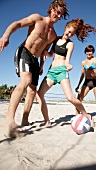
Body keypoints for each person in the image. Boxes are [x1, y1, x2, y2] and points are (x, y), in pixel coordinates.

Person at [0, 0, 69, 137]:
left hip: (36, 61)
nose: (58, 16)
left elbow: (44, 51)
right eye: (57, 12)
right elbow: (17, 23)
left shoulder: (53, 35)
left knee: (32, 91)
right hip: (24, 52)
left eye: (61, 14)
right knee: (26, 80)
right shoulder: (38, 19)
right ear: (51, 9)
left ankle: (25, 120)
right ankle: (9, 121)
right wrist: (6, 35)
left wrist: (42, 65)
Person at [36, 18, 96, 127]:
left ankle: (86, 115)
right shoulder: (55, 40)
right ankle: (47, 121)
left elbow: (67, 59)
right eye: (68, 31)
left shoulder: (70, 44)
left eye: (72, 34)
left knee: (70, 98)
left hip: (62, 71)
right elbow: (51, 54)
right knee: (39, 94)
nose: (69, 34)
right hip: (51, 72)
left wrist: (68, 65)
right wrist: (45, 56)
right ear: (65, 28)